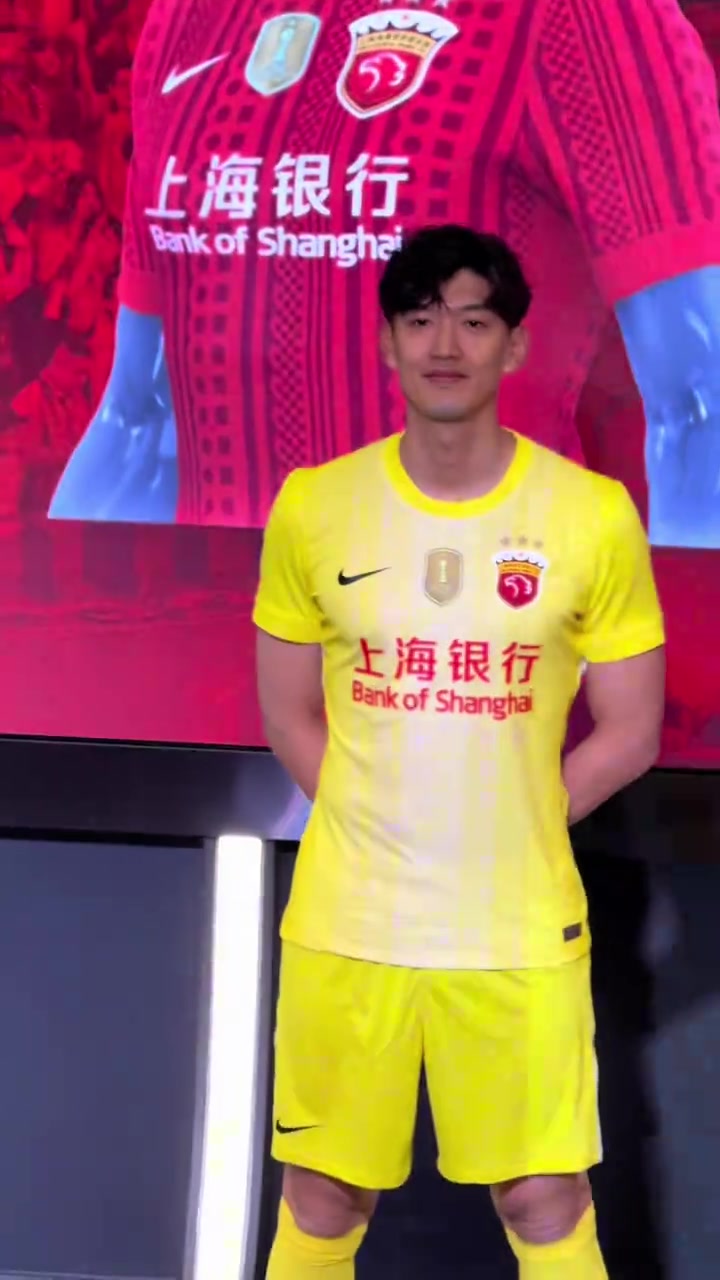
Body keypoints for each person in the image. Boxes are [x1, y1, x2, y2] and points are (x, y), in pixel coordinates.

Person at [252, 224, 666, 1279]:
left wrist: (513, 821)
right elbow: (289, 713)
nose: (446, 344)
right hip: (349, 925)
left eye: (475, 320)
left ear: (514, 345)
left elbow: (631, 728)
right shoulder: (315, 507)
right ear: (387, 341)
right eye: (421, 318)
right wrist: (376, 823)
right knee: (321, 1195)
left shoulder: (591, 516)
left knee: (545, 1198)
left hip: (516, 924)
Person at [47, 0, 720, 548]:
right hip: (224, 640)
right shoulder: (186, 17)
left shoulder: (578, 15)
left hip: (476, 638)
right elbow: (139, 418)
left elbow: (700, 407)